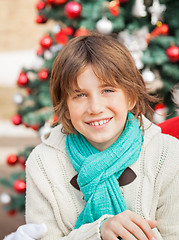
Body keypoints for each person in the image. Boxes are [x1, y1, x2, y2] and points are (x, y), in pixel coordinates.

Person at [4, 32, 179, 240]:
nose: (95, 108)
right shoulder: (44, 163)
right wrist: (98, 232)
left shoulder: (166, 154)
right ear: (66, 108)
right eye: (80, 95)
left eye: (108, 90)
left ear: (131, 96)